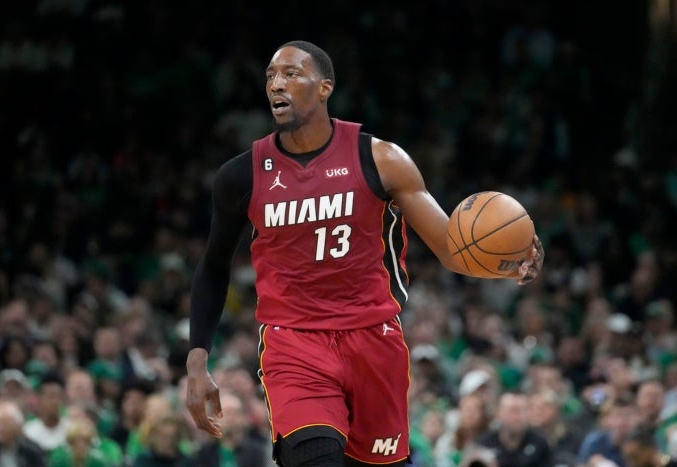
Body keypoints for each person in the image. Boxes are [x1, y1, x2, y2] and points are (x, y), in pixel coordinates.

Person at [184, 39, 544, 467]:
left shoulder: (382, 159)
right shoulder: (241, 176)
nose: (276, 84)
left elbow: (452, 246)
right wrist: (196, 359)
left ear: (324, 88)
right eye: (270, 76)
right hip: (294, 342)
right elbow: (213, 266)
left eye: (291, 74)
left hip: (374, 338)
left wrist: (508, 264)